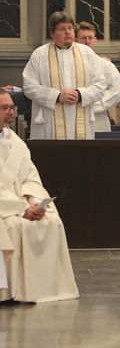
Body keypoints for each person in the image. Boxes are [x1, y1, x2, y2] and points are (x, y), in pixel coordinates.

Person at [0, 91, 79, 304]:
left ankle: (46, 288)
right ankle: (9, 291)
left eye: (12, 107)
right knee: (15, 226)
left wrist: (34, 202)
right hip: (4, 208)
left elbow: (30, 177)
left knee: (52, 221)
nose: (10, 112)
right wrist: (20, 209)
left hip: (21, 203)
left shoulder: (15, 142)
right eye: (4, 108)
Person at [22, 12, 114, 139]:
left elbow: (100, 84)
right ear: (52, 33)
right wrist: (58, 96)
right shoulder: (40, 55)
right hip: (49, 125)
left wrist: (80, 94)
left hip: (82, 124)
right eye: (62, 29)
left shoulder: (87, 53)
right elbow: (29, 87)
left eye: (70, 28)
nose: (68, 32)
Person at [73, 21, 120, 133]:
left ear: (95, 41)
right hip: (73, 117)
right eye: (83, 38)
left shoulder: (105, 65)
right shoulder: (67, 64)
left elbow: (117, 88)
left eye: (90, 38)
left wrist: (95, 104)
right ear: (75, 40)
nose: (87, 42)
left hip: (99, 119)